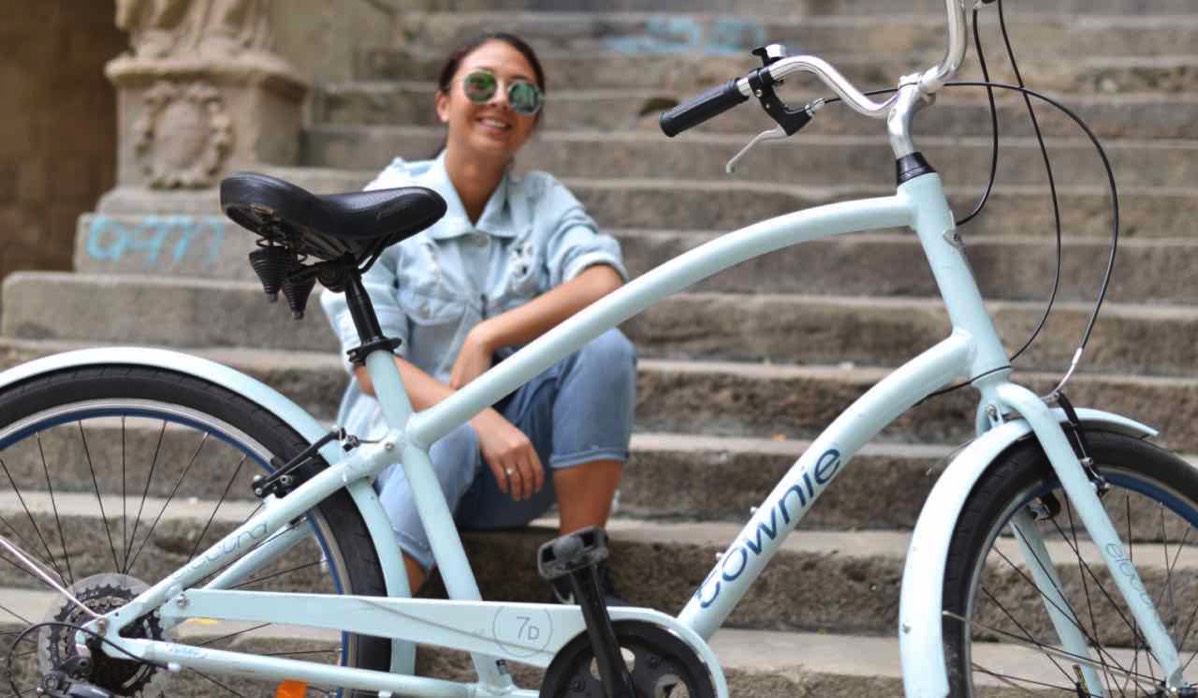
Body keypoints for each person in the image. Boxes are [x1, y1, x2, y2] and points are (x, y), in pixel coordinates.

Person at [320, 32, 636, 603]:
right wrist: (476, 418)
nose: (501, 102)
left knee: (605, 349)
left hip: (511, 473)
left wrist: (490, 335)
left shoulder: (542, 200)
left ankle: (580, 572)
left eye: (523, 94)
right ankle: (381, 620)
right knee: (451, 434)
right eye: (482, 84)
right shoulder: (388, 200)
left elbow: (603, 282)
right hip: (398, 464)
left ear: (534, 121)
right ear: (445, 102)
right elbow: (371, 367)